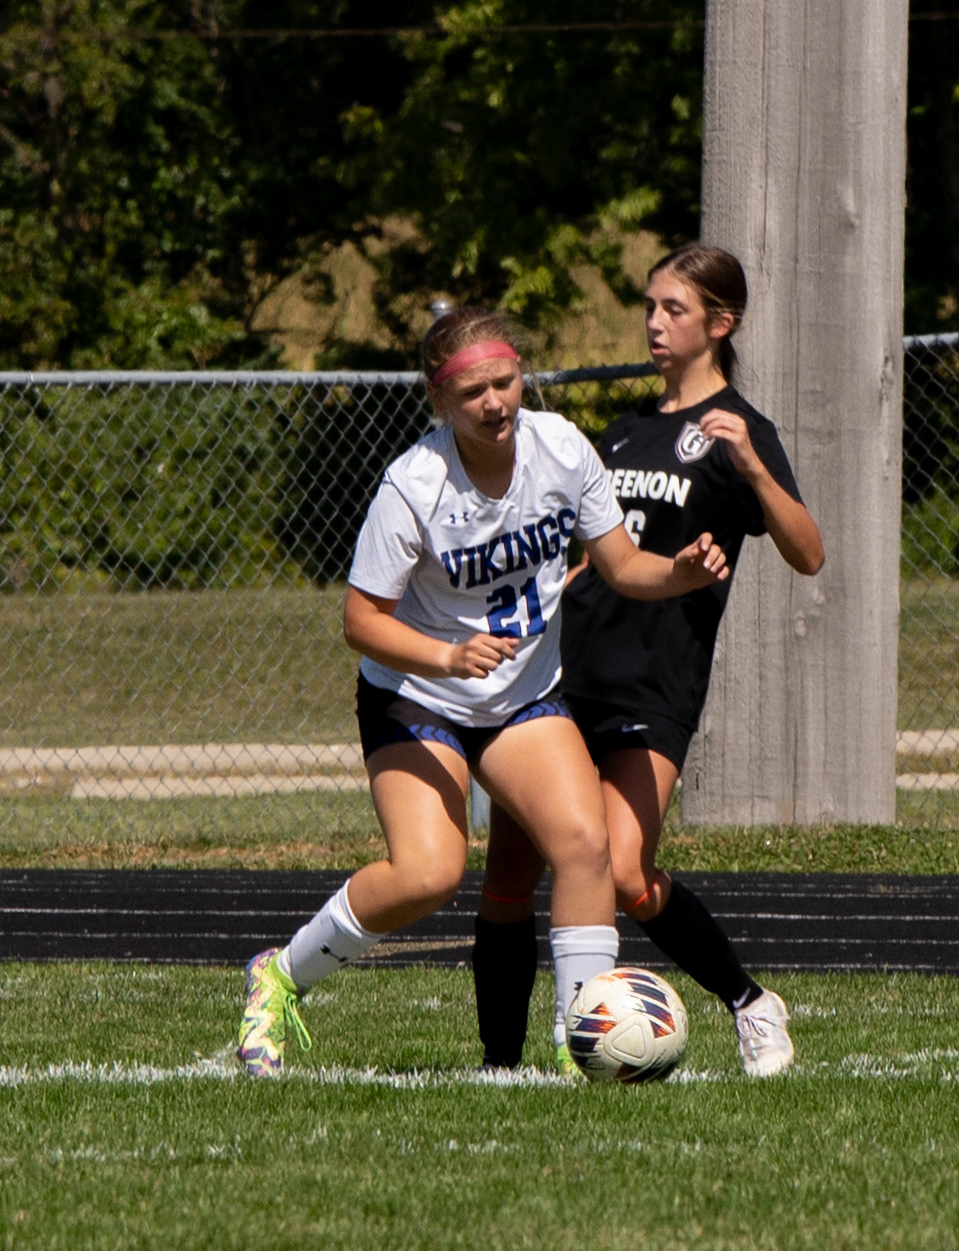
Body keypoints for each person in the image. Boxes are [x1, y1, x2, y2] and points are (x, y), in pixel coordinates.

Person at [236, 305, 730, 1077]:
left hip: (521, 696)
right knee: (429, 873)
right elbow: (361, 621)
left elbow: (621, 565)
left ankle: (578, 1040)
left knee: (586, 846)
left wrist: (680, 572)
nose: (494, 402)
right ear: (439, 399)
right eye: (472, 392)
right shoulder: (414, 485)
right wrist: (447, 654)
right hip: (417, 694)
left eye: (504, 381)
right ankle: (278, 973)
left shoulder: (561, 447)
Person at [473, 244, 825, 1078]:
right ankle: (499, 1065)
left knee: (626, 870)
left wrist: (752, 466)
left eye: (674, 308)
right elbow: (592, 554)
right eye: (649, 305)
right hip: (562, 672)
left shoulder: (739, 432)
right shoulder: (624, 430)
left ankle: (749, 1000)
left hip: (652, 680)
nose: (654, 322)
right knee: (509, 875)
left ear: (720, 322)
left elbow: (808, 553)